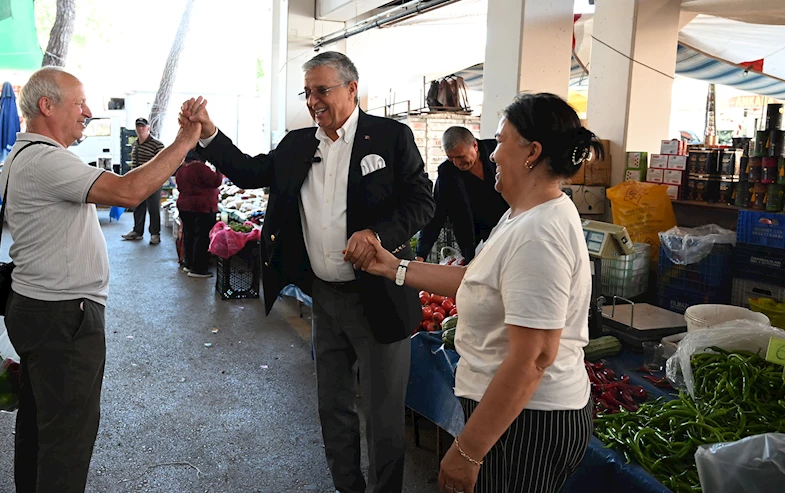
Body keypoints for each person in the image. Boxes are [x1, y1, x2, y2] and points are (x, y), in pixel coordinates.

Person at [180, 51, 434, 493]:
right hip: (326, 296)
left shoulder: (391, 137)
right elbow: (248, 170)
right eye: (307, 92)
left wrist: (377, 233)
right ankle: (347, 487)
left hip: (378, 297)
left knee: (382, 414)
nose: (313, 101)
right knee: (332, 408)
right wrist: (209, 134)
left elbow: (422, 201)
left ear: (352, 89)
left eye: (322, 90)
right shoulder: (298, 144)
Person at [351, 93, 599, 493]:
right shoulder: (521, 214)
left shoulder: (540, 233)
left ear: (532, 153)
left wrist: (468, 450)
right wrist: (391, 267)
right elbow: (476, 279)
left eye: (501, 141)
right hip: (519, 415)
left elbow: (534, 357)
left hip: (529, 424)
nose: (493, 153)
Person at [1, 66, 204, 493]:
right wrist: (186, 141)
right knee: (67, 441)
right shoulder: (44, 158)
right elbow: (129, 192)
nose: (88, 112)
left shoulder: (23, 156)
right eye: (79, 104)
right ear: (46, 106)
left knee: (43, 426)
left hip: (41, 308)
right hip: (62, 316)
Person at [415, 126, 508, 263]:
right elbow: (436, 216)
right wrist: (420, 254)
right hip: (478, 247)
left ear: (475, 145)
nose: (457, 163)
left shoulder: (498, 151)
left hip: (511, 229)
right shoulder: (447, 174)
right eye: (450, 158)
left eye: (460, 156)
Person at [175, 149, 223, 278]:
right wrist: (219, 168)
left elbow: (179, 187)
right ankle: (199, 269)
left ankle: (189, 263)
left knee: (189, 235)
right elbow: (216, 181)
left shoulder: (181, 170)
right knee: (202, 237)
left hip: (185, 207)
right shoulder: (200, 167)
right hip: (202, 207)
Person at [122, 117, 165, 244]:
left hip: (153, 182)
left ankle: (155, 234)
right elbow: (134, 164)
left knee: (153, 208)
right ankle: (137, 231)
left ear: (148, 128)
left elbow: (163, 164)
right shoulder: (135, 144)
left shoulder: (157, 145)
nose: (140, 129)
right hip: (138, 182)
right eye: (138, 126)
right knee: (138, 206)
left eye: (142, 126)